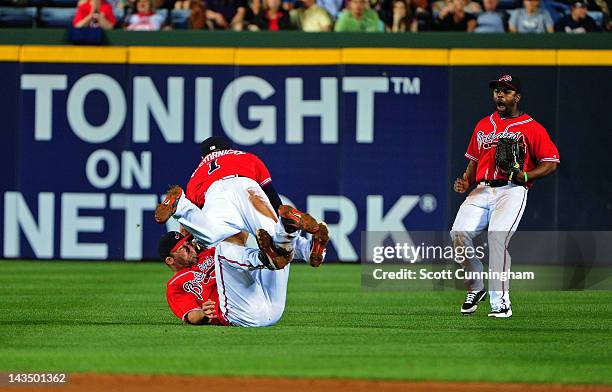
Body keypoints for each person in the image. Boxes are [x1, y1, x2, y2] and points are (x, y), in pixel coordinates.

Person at [451, 74, 560, 318]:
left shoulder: (532, 127)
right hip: (481, 189)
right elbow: (473, 160)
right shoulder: (483, 125)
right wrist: (466, 180)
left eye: (506, 91)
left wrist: (527, 176)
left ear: (517, 97)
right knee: (458, 235)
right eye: (497, 90)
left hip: (511, 190)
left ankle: (501, 303)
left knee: (497, 239)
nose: (500, 94)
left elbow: (551, 162)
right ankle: (476, 287)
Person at [161, 215, 318, 326]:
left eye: (188, 243)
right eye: (183, 248)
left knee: (275, 246)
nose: (190, 247)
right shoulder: (175, 285)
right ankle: (264, 258)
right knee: (223, 250)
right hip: (241, 314)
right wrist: (202, 314)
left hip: (272, 307)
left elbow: (240, 236)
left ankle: (309, 250)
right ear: (170, 260)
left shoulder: (205, 252)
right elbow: (190, 315)